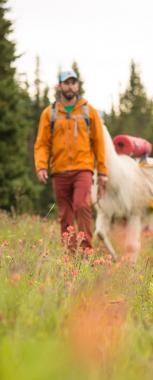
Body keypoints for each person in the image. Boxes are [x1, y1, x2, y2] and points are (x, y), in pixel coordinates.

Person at [34, 70, 108, 252]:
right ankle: (70, 255)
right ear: (59, 86)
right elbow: (42, 143)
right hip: (59, 171)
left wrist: (103, 172)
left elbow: (99, 143)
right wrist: (41, 166)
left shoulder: (88, 111)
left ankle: (86, 251)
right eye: (66, 83)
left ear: (77, 86)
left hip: (83, 169)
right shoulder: (49, 113)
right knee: (65, 215)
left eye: (73, 82)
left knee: (82, 205)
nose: (70, 86)